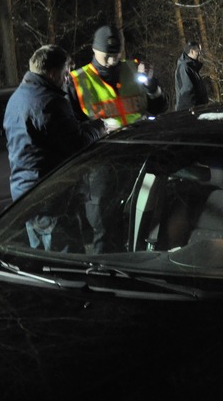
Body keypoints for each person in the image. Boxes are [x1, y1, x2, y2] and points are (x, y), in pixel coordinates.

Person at [67, 24, 167, 252]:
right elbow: (71, 132)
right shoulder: (78, 81)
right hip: (100, 166)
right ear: (94, 50)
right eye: (107, 56)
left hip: (139, 159)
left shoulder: (133, 70)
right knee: (105, 230)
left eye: (116, 55)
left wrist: (152, 87)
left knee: (139, 227)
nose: (112, 61)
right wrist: (98, 129)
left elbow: (159, 106)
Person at [4, 45, 105, 248]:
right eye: (65, 73)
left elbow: (53, 135)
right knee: (65, 267)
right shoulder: (49, 102)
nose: (67, 79)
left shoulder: (18, 98)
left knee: (42, 261)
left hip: (26, 196)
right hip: (52, 199)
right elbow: (77, 144)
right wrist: (100, 127)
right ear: (52, 73)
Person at [174, 41, 210, 110]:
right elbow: (187, 91)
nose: (199, 54)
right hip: (188, 111)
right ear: (192, 51)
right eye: (198, 51)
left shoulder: (191, 68)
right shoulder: (184, 67)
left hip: (195, 109)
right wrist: (192, 110)